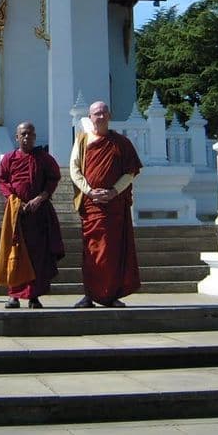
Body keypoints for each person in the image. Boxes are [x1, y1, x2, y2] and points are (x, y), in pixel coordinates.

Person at [69, 100, 142, 307]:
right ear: (90, 117)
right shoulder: (82, 141)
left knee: (112, 250)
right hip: (92, 206)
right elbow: (75, 169)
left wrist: (113, 191)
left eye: (103, 113)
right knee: (92, 251)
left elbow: (130, 172)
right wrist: (90, 192)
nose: (100, 117)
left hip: (113, 205)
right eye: (95, 114)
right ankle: (90, 294)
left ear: (109, 116)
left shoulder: (121, 143)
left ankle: (111, 294)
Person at [0, 121, 65, 308]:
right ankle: (13, 295)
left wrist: (39, 199)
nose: (27, 137)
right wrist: (15, 201)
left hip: (38, 214)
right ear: (16, 137)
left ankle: (34, 296)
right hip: (16, 215)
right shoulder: (9, 158)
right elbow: (3, 181)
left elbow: (53, 179)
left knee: (37, 255)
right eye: (23, 134)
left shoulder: (44, 158)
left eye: (30, 134)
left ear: (35, 137)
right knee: (14, 253)